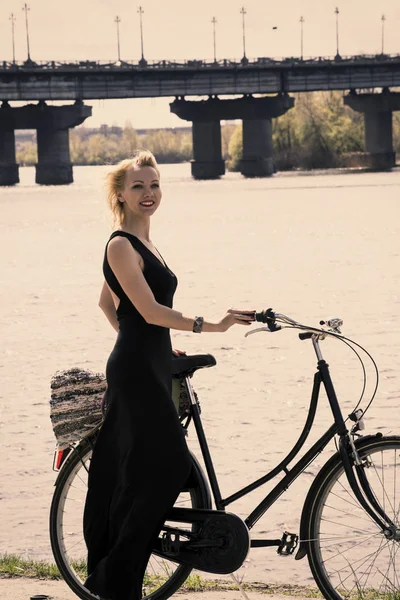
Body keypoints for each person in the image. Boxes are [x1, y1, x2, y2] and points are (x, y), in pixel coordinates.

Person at [83, 150, 255, 600]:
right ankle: (116, 579)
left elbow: (109, 303)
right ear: (120, 194)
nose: (148, 194)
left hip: (150, 362)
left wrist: (151, 339)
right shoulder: (120, 244)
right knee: (168, 468)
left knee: (149, 472)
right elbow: (150, 309)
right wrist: (210, 326)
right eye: (138, 186)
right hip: (136, 372)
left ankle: (119, 577)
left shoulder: (145, 243)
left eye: (154, 185)